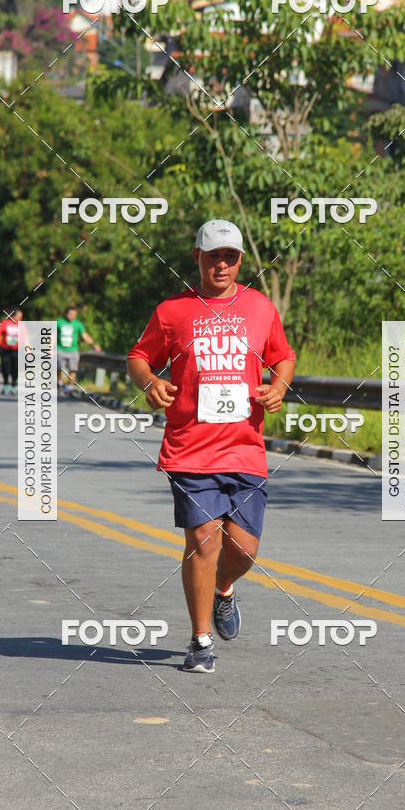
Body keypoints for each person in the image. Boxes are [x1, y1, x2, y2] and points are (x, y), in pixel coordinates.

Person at [127, 220, 295, 673]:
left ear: (240, 260)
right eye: (213, 255)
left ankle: (224, 589)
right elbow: (139, 357)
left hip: (244, 448)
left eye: (230, 257)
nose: (221, 264)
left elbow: (282, 355)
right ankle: (200, 641)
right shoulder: (173, 311)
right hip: (190, 449)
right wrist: (149, 383)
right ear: (196, 257)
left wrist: (278, 387)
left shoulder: (259, 308)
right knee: (203, 541)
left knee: (242, 550)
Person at [56, 307, 101, 394]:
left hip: (73, 350)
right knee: (58, 368)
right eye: (70, 314)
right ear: (66, 313)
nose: (71, 316)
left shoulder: (78, 325)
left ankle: (69, 387)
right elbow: (53, 335)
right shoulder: (59, 322)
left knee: (73, 369)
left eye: (73, 315)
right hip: (60, 349)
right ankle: (59, 383)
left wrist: (93, 345)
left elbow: (85, 336)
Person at [0, 309, 23, 395]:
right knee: (5, 367)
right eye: (19, 316)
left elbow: (25, 338)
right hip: (5, 349)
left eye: (21, 316)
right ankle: (5, 384)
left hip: (17, 350)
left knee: (15, 368)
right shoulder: (4, 323)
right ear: (13, 315)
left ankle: (14, 385)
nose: (20, 318)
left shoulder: (22, 325)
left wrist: (28, 350)